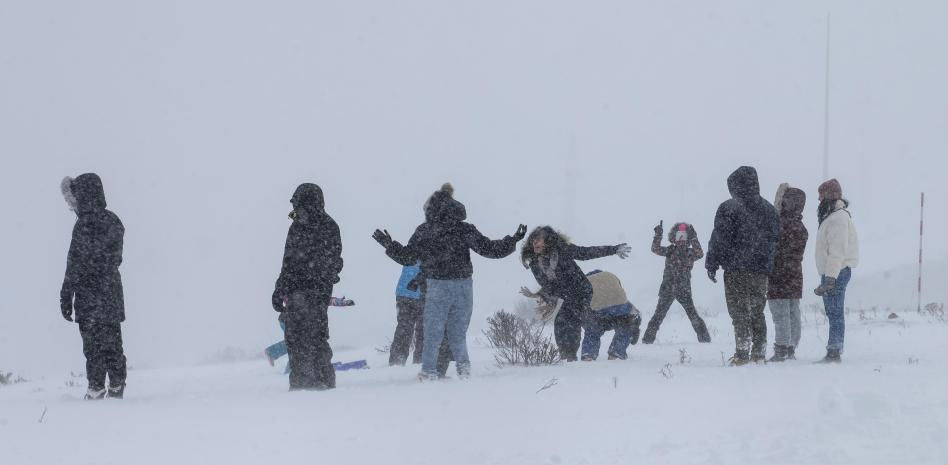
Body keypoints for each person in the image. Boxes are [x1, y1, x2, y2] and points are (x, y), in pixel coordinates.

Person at [373, 183, 526, 380]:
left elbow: (408, 257)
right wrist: (512, 240)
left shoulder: (425, 230)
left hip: (438, 286)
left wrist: (389, 245)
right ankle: (464, 371)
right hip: (464, 285)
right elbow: (489, 249)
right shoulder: (463, 229)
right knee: (457, 333)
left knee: (433, 333)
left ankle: (429, 372)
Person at [60, 174, 128, 400]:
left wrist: (66, 294)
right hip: (108, 294)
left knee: (93, 345)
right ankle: (116, 385)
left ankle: (97, 387)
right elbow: (113, 258)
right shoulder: (113, 221)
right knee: (112, 341)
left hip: (90, 296)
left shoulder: (82, 227)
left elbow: (74, 263)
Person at [519, 226, 632, 361]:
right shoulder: (535, 263)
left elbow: (586, 252)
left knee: (576, 320)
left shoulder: (562, 250)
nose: (534, 243)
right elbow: (548, 285)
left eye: (538, 240)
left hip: (582, 290)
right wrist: (542, 296)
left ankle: (581, 355)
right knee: (562, 321)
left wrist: (613, 249)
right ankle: (568, 356)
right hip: (567, 294)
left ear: (548, 241)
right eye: (533, 241)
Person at [271, 183, 343, 391]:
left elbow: (294, 262)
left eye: (296, 200)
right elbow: (289, 262)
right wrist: (280, 289)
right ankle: (314, 380)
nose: (293, 204)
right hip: (308, 291)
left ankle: (311, 383)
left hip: (308, 290)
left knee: (306, 336)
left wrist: (285, 286)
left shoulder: (316, 226)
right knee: (309, 335)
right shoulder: (310, 226)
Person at [706, 166, 779, 366]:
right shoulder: (769, 210)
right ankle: (759, 352)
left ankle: (742, 353)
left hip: (736, 269)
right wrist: (767, 264)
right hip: (760, 271)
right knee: (757, 310)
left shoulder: (729, 208)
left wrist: (712, 262)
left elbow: (719, 238)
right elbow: (775, 240)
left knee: (739, 311)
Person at [813, 179, 859, 363]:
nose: (818, 199)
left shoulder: (838, 219)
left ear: (830, 196)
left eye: (821, 194)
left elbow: (837, 251)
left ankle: (834, 351)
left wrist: (830, 278)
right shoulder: (833, 217)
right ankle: (834, 349)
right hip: (833, 271)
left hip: (836, 272)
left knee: (835, 311)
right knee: (833, 311)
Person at [642, 222, 711, 344]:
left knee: (692, 315)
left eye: (684, 236)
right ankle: (647, 341)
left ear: (688, 238)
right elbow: (655, 249)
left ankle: (705, 340)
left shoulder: (690, 253)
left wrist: (694, 238)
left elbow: (700, 253)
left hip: (683, 289)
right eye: (678, 236)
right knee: (658, 316)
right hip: (668, 288)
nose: (681, 239)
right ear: (673, 237)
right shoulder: (670, 250)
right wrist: (658, 235)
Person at [767, 184, 808, 362]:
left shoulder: (778, 225)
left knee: (780, 312)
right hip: (794, 274)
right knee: (793, 311)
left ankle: (781, 348)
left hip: (778, 274)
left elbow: (772, 249)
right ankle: (791, 346)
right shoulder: (800, 226)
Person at [266, 296, 355, 369]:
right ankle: (287, 365)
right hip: (288, 321)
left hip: (295, 321)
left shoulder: (315, 296)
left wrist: (342, 302)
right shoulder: (302, 294)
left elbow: (327, 300)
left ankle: (277, 356)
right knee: (299, 344)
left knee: (300, 343)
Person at [580, 270, 642, 360]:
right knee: (627, 324)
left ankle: (588, 354)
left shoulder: (585, 281)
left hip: (597, 311)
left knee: (592, 330)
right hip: (619, 308)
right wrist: (635, 327)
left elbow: (582, 303)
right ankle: (616, 352)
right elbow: (621, 294)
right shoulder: (610, 276)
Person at [389, 264, 425, 366]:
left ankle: (397, 363)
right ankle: (420, 363)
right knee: (424, 332)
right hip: (419, 293)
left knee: (404, 330)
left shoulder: (412, 249)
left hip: (405, 292)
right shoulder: (435, 250)